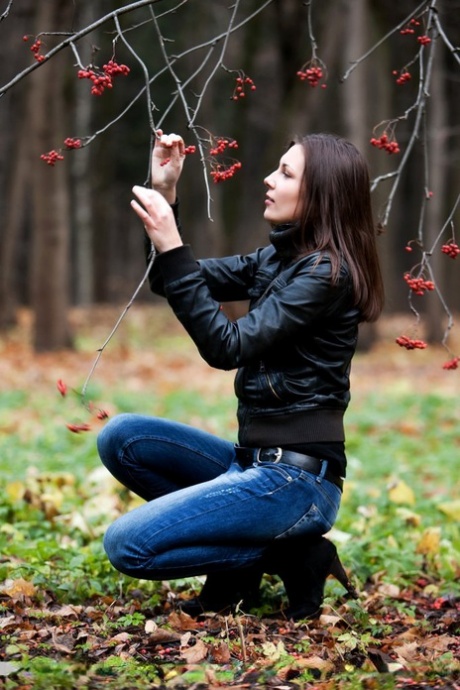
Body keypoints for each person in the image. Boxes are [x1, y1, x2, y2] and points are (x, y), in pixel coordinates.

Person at [97, 130, 384, 620]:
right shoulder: (275, 259)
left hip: (295, 481)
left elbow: (227, 347)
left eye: (286, 173)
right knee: (122, 438)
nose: (269, 180)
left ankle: (290, 553)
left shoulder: (326, 276)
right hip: (250, 463)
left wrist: (173, 241)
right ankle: (256, 564)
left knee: (128, 545)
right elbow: (170, 278)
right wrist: (166, 195)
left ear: (321, 195)